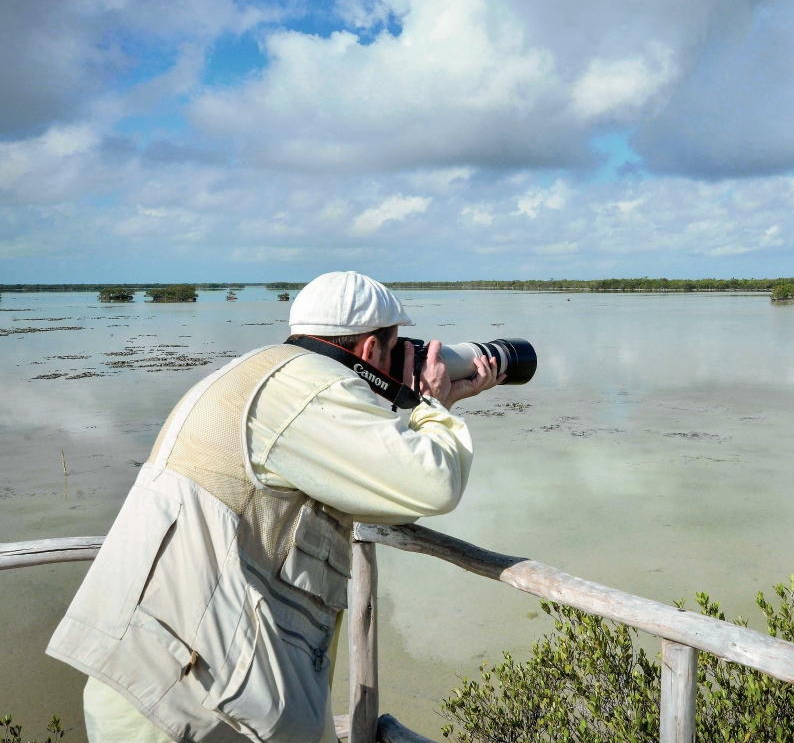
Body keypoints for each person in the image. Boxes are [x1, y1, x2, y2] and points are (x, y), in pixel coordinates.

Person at [47, 271, 503, 743]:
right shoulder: (313, 391)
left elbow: (383, 495)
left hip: (140, 680)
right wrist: (433, 406)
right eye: (396, 348)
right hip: (187, 709)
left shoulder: (262, 371)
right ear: (370, 350)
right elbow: (433, 486)